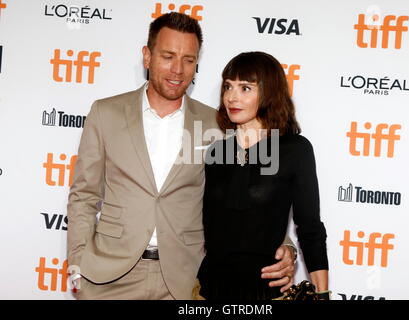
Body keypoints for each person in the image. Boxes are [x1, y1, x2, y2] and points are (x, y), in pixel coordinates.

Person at [67, 13, 295, 300]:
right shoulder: (105, 112)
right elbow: (84, 196)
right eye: (168, 56)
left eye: (189, 59)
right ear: (147, 57)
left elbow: (255, 197)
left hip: (184, 280)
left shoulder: (218, 124)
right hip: (109, 278)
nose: (178, 69)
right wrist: (78, 261)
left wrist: (286, 246)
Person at [193, 51, 330, 300]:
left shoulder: (294, 150)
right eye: (228, 87)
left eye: (245, 88)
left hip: (265, 293)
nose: (232, 97)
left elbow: (310, 228)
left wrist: (322, 294)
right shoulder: (216, 151)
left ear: (268, 93)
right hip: (208, 290)